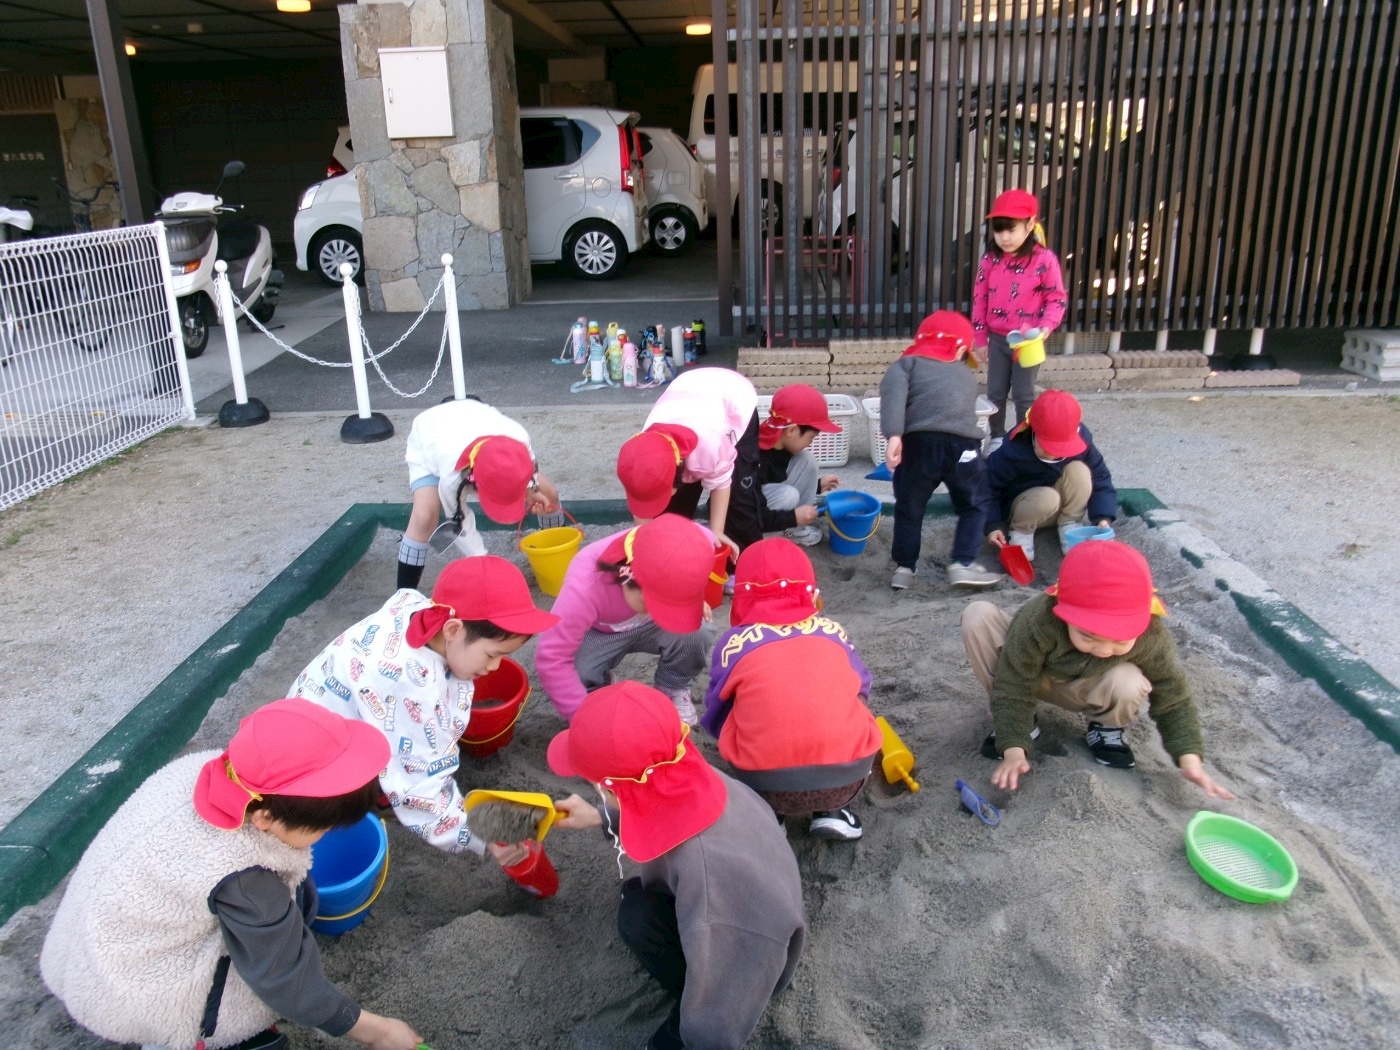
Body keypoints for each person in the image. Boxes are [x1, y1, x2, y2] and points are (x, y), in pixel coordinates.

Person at [40, 699, 422, 1050]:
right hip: (125, 985)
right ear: (265, 818)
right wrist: (378, 1031)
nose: (324, 836)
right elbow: (288, 983)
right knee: (232, 1014)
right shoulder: (246, 878)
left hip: (83, 937)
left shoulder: (217, 770)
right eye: (322, 828)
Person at [548, 681, 806, 1050]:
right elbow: (651, 802)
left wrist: (698, 1033)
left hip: (745, 961)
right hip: (747, 900)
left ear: (611, 789)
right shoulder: (688, 773)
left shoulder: (712, 884)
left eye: (595, 786)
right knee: (637, 901)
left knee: (637, 920)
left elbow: (725, 1002)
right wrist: (602, 816)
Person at [290, 555, 559, 864]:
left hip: (327, 715)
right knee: (369, 794)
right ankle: (374, 794)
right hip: (312, 767)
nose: (495, 667)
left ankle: (379, 788)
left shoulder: (423, 610)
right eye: (491, 655)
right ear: (454, 630)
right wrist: (480, 836)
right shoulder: (410, 685)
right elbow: (419, 788)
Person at [961, 539, 1235, 799]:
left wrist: (1189, 758)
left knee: (1130, 682)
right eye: (1088, 636)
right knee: (978, 615)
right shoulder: (1040, 618)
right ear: (1061, 608)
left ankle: (1105, 727)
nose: (1104, 649)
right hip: (1033, 675)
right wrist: (1013, 747)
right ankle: (1023, 724)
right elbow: (1013, 681)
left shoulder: (1150, 634)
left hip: (1091, 686)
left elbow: (1173, 693)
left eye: (1120, 640)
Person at [702, 537, 882, 841]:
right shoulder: (832, 631)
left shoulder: (734, 643)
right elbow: (863, 688)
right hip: (845, 777)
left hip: (763, 781)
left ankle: (771, 816)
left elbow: (715, 710)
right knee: (852, 702)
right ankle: (833, 812)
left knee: (738, 708)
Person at [535, 513, 716, 726]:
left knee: (699, 629)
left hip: (652, 628)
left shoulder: (694, 542)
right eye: (656, 605)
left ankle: (672, 687)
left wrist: (690, 599)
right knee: (578, 672)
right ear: (627, 578)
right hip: (601, 632)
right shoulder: (585, 587)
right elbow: (552, 656)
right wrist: (583, 720)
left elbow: (700, 540)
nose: (660, 611)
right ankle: (600, 692)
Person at [879, 309, 1005, 591]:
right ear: (960, 349)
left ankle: (904, 569)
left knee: (910, 507)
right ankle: (962, 563)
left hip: (919, 444)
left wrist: (894, 436)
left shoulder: (906, 365)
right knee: (974, 503)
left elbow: (893, 397)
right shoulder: (965, 375)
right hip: (964, 447)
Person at [397, 397, 561, 590]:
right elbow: (458, 520)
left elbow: (530, 465)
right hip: (429, 440)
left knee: (549, 493)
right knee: (424, 517)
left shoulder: (519, 437)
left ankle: (553, 551)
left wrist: (532, 489)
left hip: (478, 424)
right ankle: (404, 594)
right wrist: (481, 559)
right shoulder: (452, 475)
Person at [615, 365, 761, 559]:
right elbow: (642, 506)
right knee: (670, 516)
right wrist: (643, 547)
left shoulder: (709, 447)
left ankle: (742, 563)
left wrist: (716, 530)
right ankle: (675, 555)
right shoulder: (640, 455)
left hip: (734, 395)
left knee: (739, 498)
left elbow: (722, 483)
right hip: (687, 393)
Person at [971, 188, 1068, 448]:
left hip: (1028, 341)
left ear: (1029, 225)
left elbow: (1056, 298)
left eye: (1011, 230)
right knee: (995, 393)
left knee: (1024, 395)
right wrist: (979, 338)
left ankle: (1023, 440)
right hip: (997, 338)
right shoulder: (990, 259)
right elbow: (980, 298)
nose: (1004, 237)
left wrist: (1045, 327)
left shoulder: (1044, 259)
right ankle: (997, 437)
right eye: (998, 230)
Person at [981, 389, 1117, 568]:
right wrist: (992, 525)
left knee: (1080, 471)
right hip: (1026, 510)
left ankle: (1069, 524)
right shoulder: (1013, 450)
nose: (1054, 454)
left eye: (1062, 447)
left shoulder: (1082, 440)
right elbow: (987, 487)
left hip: (1059, 508)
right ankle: (1021, 532)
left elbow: (1100, 477)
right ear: (1033, 431)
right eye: (1048, 447)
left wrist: (1103, 517)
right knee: (1047, 497)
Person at [755, 383, 842, 547]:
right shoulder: (753, 459)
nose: (810, 442)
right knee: (788, 495)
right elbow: (748, 512)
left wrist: (816, 486)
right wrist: (793, 517)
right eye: (811, 437)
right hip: (742, 518)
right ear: (791, 431)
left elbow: (774, 483)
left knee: (807, 460)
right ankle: (765, 543)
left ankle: (794, 530)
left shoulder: (780, 441)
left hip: (763, 502)